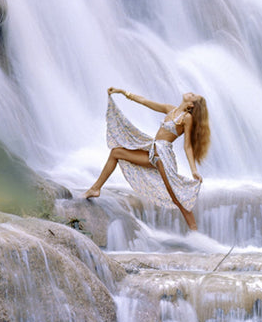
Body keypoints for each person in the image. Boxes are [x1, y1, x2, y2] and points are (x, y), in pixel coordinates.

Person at [84, 87, 210, 230]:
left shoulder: (187, 118)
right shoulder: (171, 109)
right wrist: (122, 92)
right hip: (152, 152)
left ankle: (194, 230)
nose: (189, 92)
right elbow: (145, 102)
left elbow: (187, 146)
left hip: (164, 157)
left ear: (191, 105)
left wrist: (194, 170)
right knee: (116, 152)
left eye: (193, 95)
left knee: (176, 198)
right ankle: (95, 189)